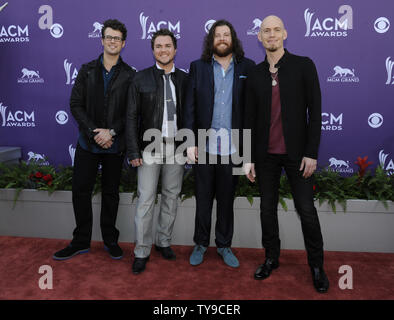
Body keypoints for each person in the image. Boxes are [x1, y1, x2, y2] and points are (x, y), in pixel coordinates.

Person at [243, 15, 329, 293]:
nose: (271, 35)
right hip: (265, 156)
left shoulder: (304, 65)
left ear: (285, 34)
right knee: (267, 210)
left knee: (306, 210)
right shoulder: (254, 74)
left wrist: (311, 152)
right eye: (266, 31)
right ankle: (271, 258)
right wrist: (248, 158)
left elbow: (315, 113)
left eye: (276, 30)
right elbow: (248, 119)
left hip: (298, 156)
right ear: (259, 37)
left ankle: (317, 265)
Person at [53, 19, 135, 261]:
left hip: (114, 143)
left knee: (111, 193)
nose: (112, 41)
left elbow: (131, 112)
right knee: (80, 190)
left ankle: (110, 240)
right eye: (109, 37)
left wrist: (111, 133)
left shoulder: (130, 75)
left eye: (117, 38)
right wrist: (94, 132)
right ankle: (80, 241)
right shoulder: (86, 69)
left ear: (123, 43)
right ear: (102, 40)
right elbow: (75, 104)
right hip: (87, 142)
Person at [184, 20, 255, 268]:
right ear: (211, 40)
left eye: (226, 35)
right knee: (203, 200)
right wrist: (190, 141)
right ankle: (201, 243)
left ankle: (224, 245)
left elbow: (251, 112)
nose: (222, 38)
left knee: (226, 200)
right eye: (218, 35)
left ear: (233, 38)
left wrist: (248, 153)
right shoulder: (198, 67)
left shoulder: (248, 67)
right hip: (203, 148)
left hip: (234, 149)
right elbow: (189, 107)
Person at [126, 29, 188, 274]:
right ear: (153, 50)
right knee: (146, 200)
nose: (163, 50)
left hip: (177, 148)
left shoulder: (184, 79)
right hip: (149, 147)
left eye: (168, 46)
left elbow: (190, 115)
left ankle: (163, 241)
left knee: (171, 198)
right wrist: (133, 151)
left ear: (175, 49)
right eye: (158, 46)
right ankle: (141, 250)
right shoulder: (140, 79)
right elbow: (131, 117)